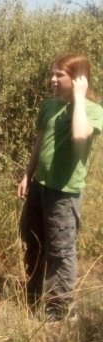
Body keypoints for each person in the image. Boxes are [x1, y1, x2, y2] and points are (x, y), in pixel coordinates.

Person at [17, 53, 103, 322]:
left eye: (59, 75)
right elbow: (39, 142)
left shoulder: (92, 110)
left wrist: (79, 98)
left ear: (78, 79)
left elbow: (80, 134)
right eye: (52, 74)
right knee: (33, 241)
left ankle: (60, 309)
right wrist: (27, 175)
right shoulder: (48, 106)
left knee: (61, 250)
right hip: (40, 185)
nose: (52, 80)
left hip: (64, 191)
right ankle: (33, 296)